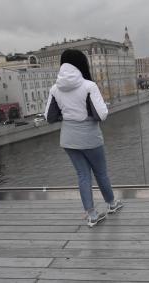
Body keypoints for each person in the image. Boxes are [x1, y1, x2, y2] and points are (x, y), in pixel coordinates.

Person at [44, 49, 123, 228]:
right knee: (100, 172)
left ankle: (92, 215)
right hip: (89, 136)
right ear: (81, 64)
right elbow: (102, 114)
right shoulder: (88, 85)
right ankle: (112, 204)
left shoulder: (55, 88)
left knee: (82, 175)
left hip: (68, 138)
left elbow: (48, 116)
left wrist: (65, 115)